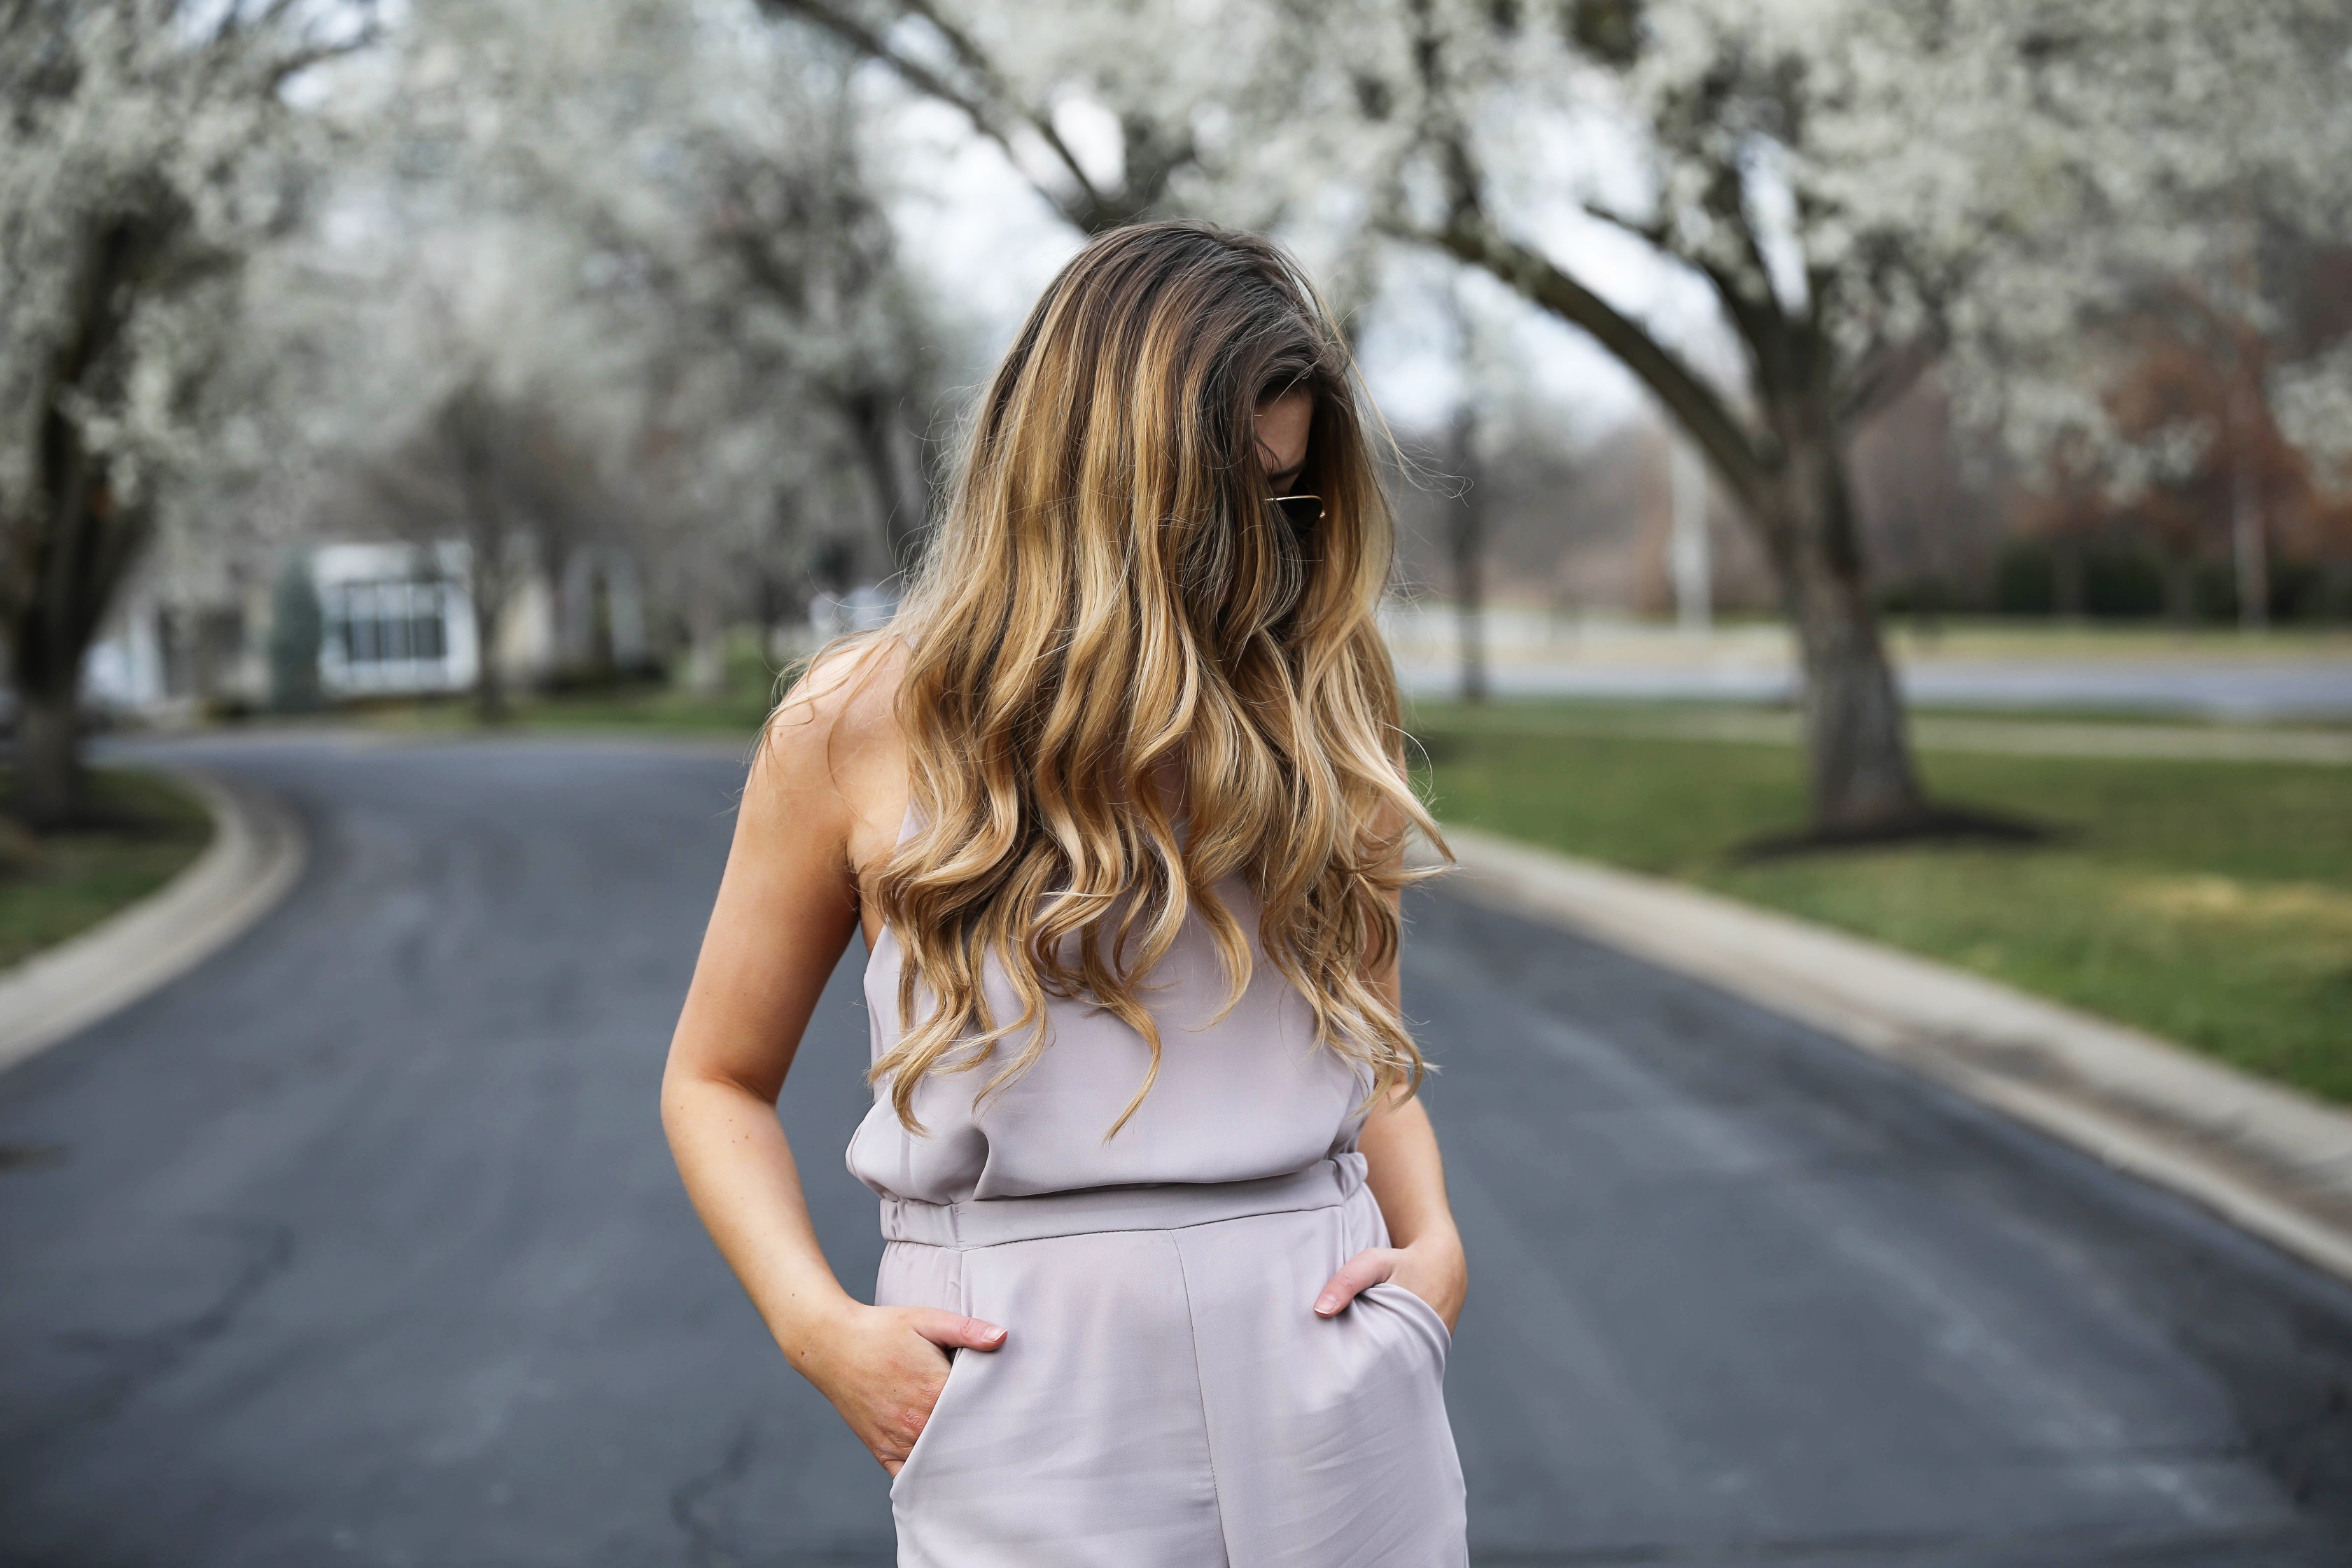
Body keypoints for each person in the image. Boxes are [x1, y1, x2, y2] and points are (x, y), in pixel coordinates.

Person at [662, 220, 1470, 1567]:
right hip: (1026, 1389)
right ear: (1104, 480)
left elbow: (1372, 1052)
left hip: (1334, 1366)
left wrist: (1435, 1251)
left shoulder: (1315, 695)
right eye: (1234, 500)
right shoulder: (860, 721)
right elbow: (715, 1079)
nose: (1265, 547)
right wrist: (823, 1334)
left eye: (1291, 499)